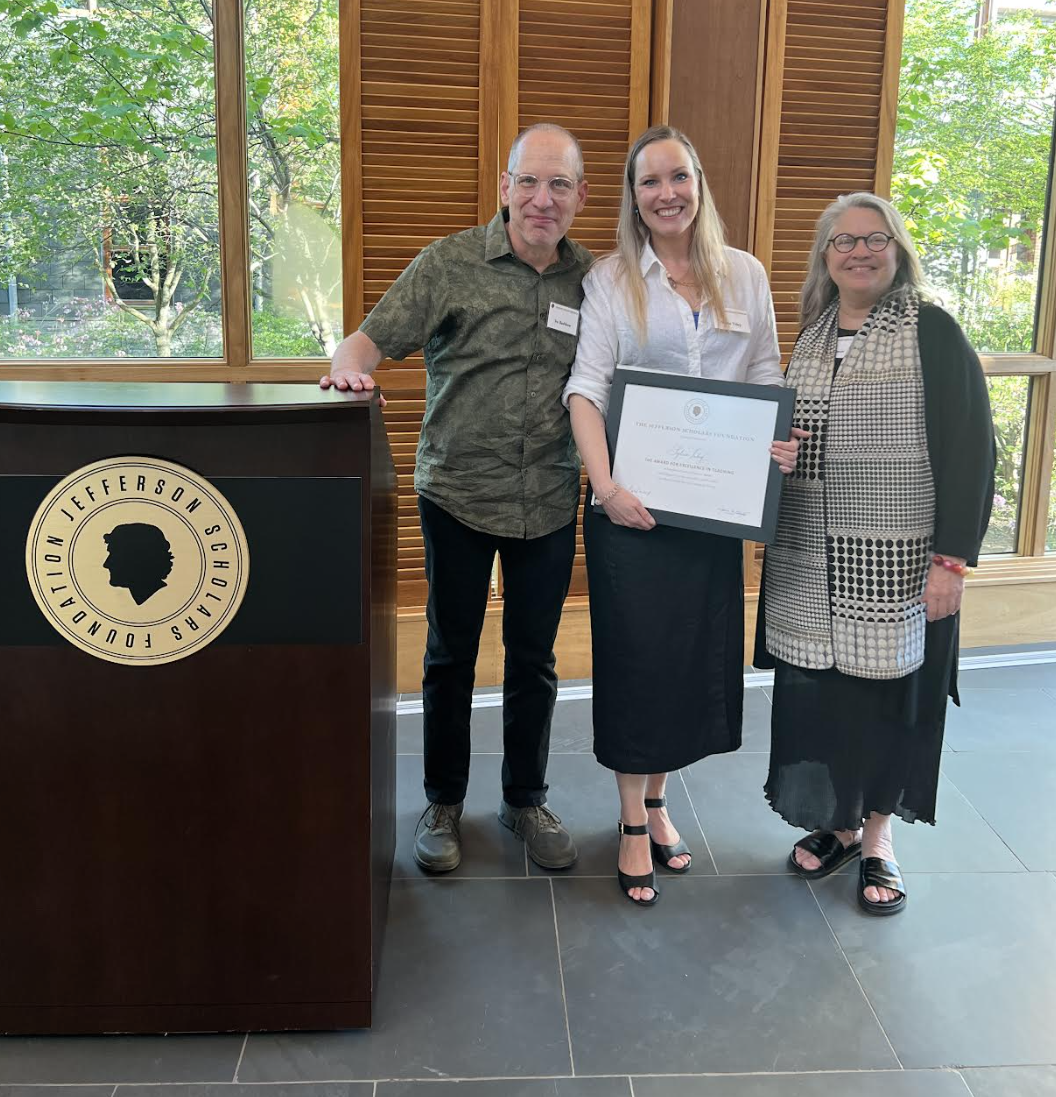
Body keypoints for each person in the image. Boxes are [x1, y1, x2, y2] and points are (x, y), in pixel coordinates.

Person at [322, 123, 591, 873]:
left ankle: (524, 797)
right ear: (504, 186)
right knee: (449, 654)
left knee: (534, 657)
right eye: (529, 181)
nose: (543, 199)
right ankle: (443, 800)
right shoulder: (449, 262)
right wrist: (349, 371)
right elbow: (364, 343)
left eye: (559, 185)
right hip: (459, 495)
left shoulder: (593, 281)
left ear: (579, 197)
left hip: (547, 495)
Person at [564, 124, 799, 906]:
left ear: (699, 182)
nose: (666, 193)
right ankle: (632, 820)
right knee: (637, 660)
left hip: (714, 515)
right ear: (633, 198)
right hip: (629, 511)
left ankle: (658, 800)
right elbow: (586, 390)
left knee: (689, 660)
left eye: (678, 177)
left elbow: (765, 374)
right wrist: (605, 487)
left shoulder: (746, 275)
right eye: (648, 182)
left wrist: (777, 447)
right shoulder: (610, 280)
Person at [756, 192, 995, 916]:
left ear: (897, 250)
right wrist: (780, 457)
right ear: (824, 259)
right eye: (843, 241)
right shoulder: (811, 337)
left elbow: (972, 452)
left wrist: (950, 561)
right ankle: (837, 824)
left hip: (899, 564)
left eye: (875, 239)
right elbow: (794, 435)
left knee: (892, 699)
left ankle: (880, 837)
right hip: (808, 563)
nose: (859, 252)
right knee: (828, 698)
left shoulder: (933, 333)